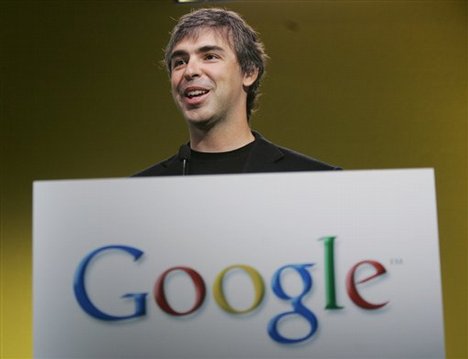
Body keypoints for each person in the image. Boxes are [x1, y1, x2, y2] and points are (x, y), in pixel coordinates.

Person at [135, 8, 339, 176]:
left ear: (249, 72)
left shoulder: (315, 180)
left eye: (210, 56)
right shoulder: (140, 190)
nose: (190, 71)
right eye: (179, 62)